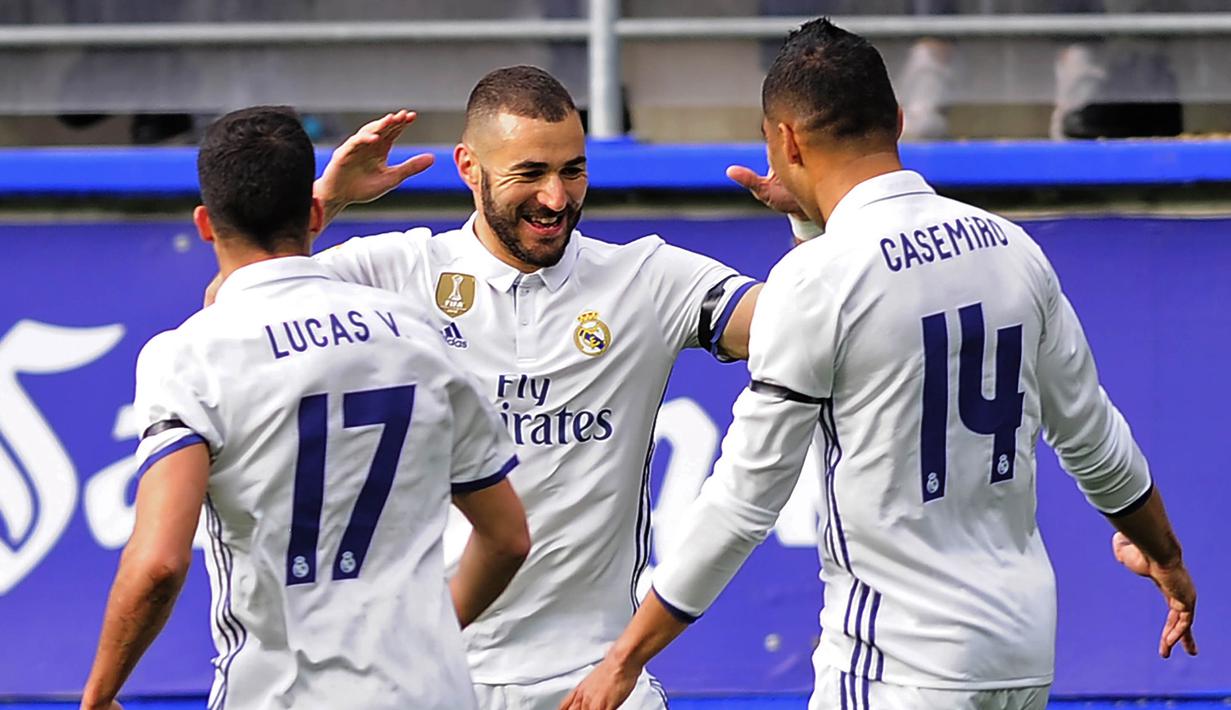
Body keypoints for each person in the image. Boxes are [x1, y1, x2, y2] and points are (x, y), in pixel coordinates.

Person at [561, 18, 1197, 710]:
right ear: (896, 120)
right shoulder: (1010, 248)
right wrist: (1163, 556)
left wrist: (622, 659)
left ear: (786, 141)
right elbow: (1093, 438)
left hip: (897, 664)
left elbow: (742, 503)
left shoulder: (820, 282)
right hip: (1018, 655)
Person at [291, 65, 778, 709]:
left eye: (572, 170)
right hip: (432, 675)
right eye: (530, 174)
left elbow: (802, 330)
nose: (556, 198)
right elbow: (231, 317)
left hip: (595, 675)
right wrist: (325, 205)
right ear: (469, 167)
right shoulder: (394, 273)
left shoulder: (648, 279)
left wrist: (812, 222)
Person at [81, 106, 530, 710]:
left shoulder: (190, 355)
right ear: (314, 215)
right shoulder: (415, 331)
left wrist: (100, 694)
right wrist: (427, 644)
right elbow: (507, 540)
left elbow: (160, 563)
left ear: (205, 225)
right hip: (430, 690)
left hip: (282, 694)